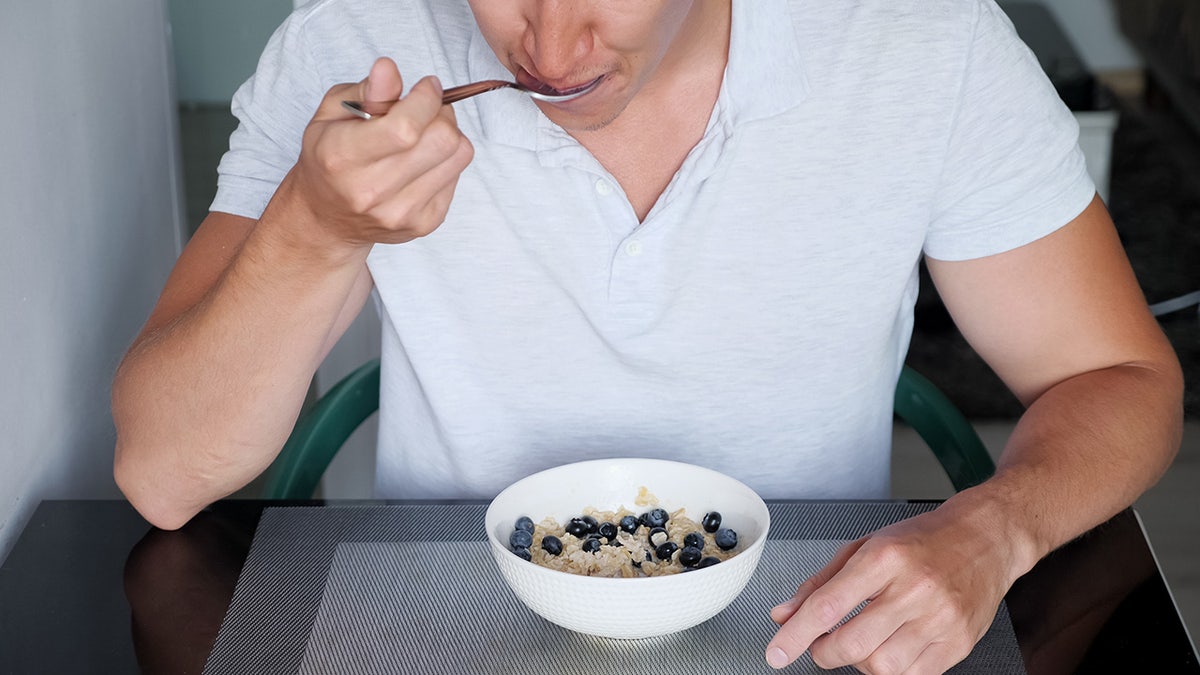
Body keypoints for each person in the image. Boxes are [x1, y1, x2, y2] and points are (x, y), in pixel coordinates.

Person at [112, 0, 1183, 671]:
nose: (550, 44)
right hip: (440, 627)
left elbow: (1122, 377)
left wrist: (994, 528)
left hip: (810, 626)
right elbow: (163, 476)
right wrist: (310, 229)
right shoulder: (352, 44)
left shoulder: (923, 41)